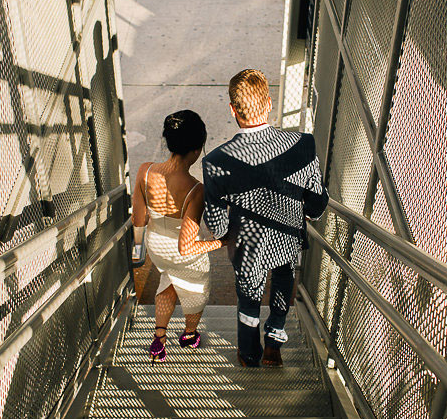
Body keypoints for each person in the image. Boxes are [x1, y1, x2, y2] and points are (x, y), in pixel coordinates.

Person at [202, 69, 329, 367]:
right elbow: (315, 203)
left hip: (247, 247)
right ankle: (274, 342)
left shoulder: (215, 162)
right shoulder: (303, 145)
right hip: (286, 239)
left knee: (249, 297)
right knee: (284, 281)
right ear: (269, 103)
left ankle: (249, 354)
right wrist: (305, 210)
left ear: (232, 109)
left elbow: (219, 226)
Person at [131, 110, 224, 364]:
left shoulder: (145, 172)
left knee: (168, 281)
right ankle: (189, 335)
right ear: (196, 151)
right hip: (181, 252)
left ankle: (159, 342)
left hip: (156, 246)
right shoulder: (195, 189)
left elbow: (139, 219)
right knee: (195, 290)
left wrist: (138, 248)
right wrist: (222, 242)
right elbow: (187, 246)